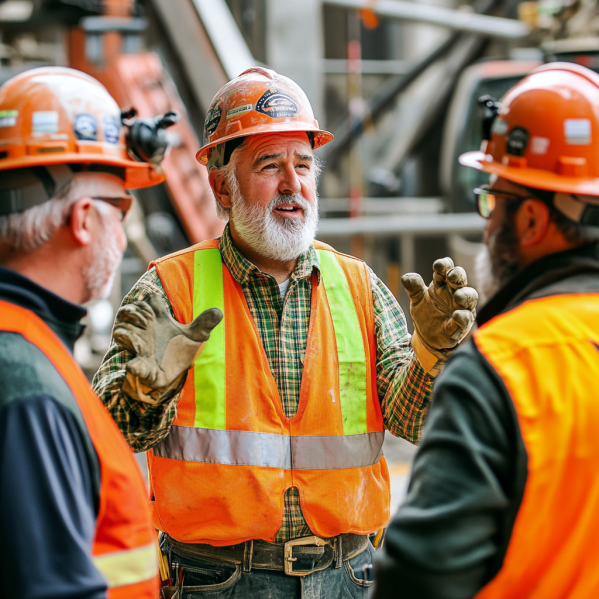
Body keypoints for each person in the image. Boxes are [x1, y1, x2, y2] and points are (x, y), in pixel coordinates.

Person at [93, 66, 477, 598]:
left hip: (350, 575)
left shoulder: (358, 286)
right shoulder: (169, 290)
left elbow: (416, 422)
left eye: (303, 164)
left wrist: (435, 354)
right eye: (269, 165)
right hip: (216, 582)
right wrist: (144, 393)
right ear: (220, 186)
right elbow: (107, 437)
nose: (293, 184)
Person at [373, 62, 599, 599]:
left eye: (493, 200)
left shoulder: (502, 364)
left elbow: (422, 579)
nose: (487, 221)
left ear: (530, 222)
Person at [0, 66, 168, 599]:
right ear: (83, 219)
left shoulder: (28, 346)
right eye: (122, 208)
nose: (123, 232)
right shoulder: (25, 384)